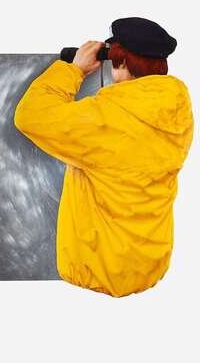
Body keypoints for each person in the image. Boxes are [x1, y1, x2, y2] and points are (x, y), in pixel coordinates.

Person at [14, 17, 194, 297]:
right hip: (149, 266)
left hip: (101, 270)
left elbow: (30, 116)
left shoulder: (108, 118)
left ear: (120, 61)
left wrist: (73, 70)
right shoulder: (177, 109)